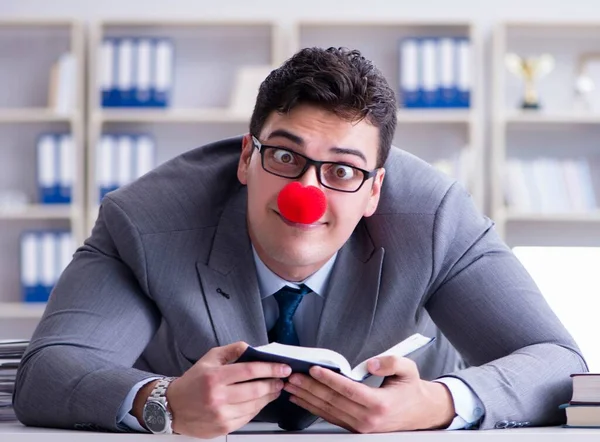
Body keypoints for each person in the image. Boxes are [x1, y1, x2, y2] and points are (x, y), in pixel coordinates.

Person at [14, 47, 586, 438]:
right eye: (285, 156)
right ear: (246, 157)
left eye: (342, 171)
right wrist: (159, 401)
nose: (304, 194)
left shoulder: (435, 218)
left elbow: (558, 362)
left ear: (374, 191)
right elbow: (48, 372)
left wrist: (436, 404)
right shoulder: (146, 221)